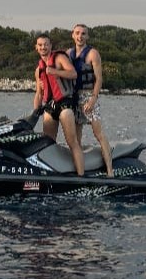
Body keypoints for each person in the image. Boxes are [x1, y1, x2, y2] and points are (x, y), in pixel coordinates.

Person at [32, 34, 84, 176]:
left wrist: (55, 72)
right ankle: (50, 174)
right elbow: (38, 93)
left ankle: (81, 176)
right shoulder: (39, 70)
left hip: (65, 103)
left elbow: (73, 74)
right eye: (40, 45)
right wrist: (35, 112)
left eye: (46, 44)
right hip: (50, 105)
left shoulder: (59, 58)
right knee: (47, 143)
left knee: (72, 141)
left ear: (50, 46)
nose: (43, 47)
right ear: (36, 48)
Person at [68, 23, 113, 177]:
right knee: (76, 137)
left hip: (89, 96)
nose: (80, 36)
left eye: (83, 34)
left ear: (87, 36)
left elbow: (99, 79)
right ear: (72, 35)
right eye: (77, 33)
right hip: (74, 98)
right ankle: (78, 170)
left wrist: (93, 99)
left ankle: (110, 171)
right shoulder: (69, 54)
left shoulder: (93, 54)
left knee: (98, 133)